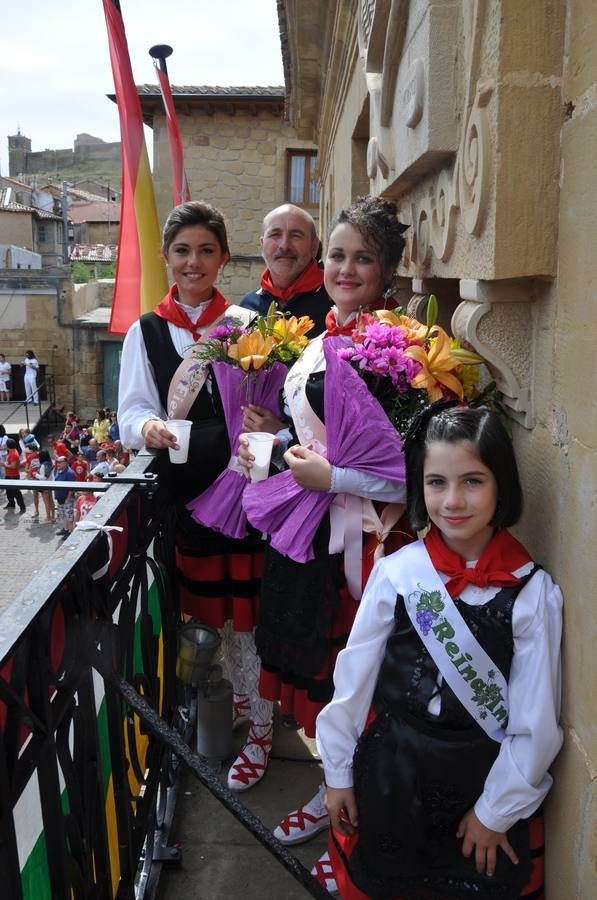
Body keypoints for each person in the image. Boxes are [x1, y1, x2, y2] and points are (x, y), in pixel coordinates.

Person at [316, 405, 563, 898]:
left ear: (503, 486)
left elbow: (536, 722)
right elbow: (353, 681)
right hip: (393, 776)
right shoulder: (398, 572)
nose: (452, 501)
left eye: (473, 481)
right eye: (436, 482)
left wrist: (495, 812)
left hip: (478, 784)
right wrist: (338, 771)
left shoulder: (532, 592)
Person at [238, 197, 408, 833]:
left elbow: (403, 470)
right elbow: (323, 430)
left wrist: (332, 476)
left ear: (388, 270)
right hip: (314, 532)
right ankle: (335, 792)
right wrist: (277, 441)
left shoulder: (395, 348)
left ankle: (351, 810)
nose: (345, 267)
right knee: (330, 678)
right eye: (337, 254)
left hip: (364, 541)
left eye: (363, 258)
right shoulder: (325, 335)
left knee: (356, 678)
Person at [118, 200, 272, 791]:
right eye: (182, 250)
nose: (193, 261)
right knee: (218, 615)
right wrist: (147, 429)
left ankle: (261, 726)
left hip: (245, 493)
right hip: (189, 496)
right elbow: (132, 411)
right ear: (166, 257)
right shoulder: (146, 332)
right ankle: (242, 699)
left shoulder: (247, 325)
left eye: (207, 250)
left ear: (224, 258)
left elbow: (267, 400)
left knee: (251, 618)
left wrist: (264, 416)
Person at [239, 204, 332, 437]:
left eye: (296, 235)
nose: (284, 245)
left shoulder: (336, 304)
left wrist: (285, 432)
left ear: (314, 246)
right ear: (262, 245)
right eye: (275, 234)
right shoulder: (246, 307)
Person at [54, 455, 76, 537]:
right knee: (62, 515)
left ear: (66, 463)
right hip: (59, 497)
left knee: (69, 516)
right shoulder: (58, 470)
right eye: (57, 462)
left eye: (60, 462)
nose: (58, 464)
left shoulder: (70, 473)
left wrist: (68, 498)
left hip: (67, 499)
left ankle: (70, 532)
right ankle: (65, 529)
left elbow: (72, 487)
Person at [3, 438, 26, 512]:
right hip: (9, 475)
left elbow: (13, 466)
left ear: (8, 446)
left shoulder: (13, 454)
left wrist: (4, 465)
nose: (5, 445)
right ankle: (11, 504)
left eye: (6, 444)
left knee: (16, 492)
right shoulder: (12, 451)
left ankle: (22, 507)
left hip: (12, 476)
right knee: (9, 491)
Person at [36, 450, 55, 523]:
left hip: (45, 485)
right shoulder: (51, 462)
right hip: (50, 484)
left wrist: (35, 474)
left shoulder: (43, 465)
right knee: (51, 501)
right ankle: (53, 517)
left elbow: (43, 477)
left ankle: (48, 517)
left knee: (46, 502)